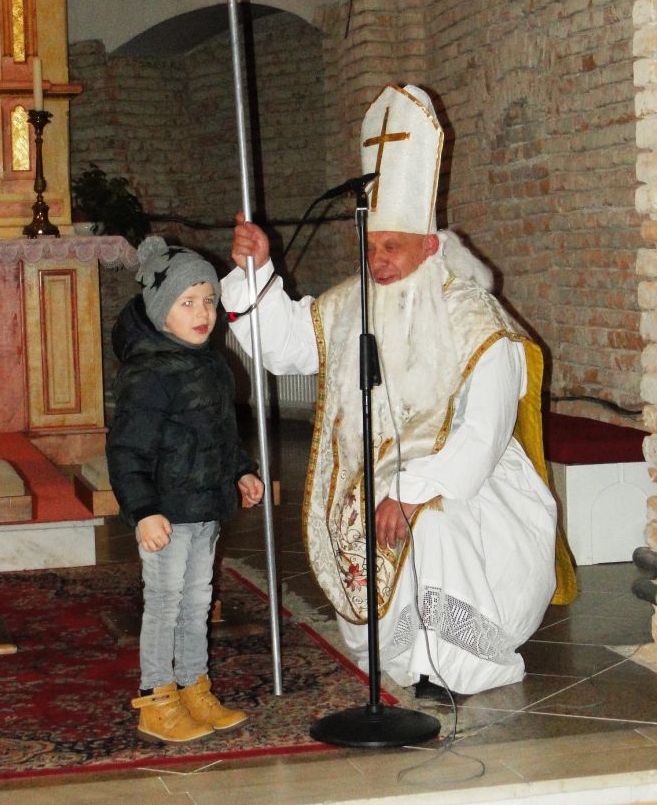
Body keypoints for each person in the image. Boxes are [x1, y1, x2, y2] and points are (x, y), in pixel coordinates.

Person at [222, 83, 575, 697]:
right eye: (370, 247)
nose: (378, 261)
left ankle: (459, 663)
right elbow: (285, 345)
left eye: (393, 247)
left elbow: (484, 433)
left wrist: (413, 494)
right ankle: (405, 654)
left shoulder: (477, 322)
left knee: (434, 528)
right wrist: (257, 270)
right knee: (366, 518)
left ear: (430, 247)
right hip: (381, 473)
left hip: (469, 481)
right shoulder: (355, 302)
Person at [107, 235, 264, 743]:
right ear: (160, 311)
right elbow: (127, 451)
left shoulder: (212, 363)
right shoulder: (147, 373)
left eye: (209, 300)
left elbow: (222, 431)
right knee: (165, 604)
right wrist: (143, 511)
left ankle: (194, 685)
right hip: (167, 513)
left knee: (198, 602)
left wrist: (241, 470)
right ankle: (156, 698)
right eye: (187, 302)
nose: (203, 313)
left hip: (205, 507)